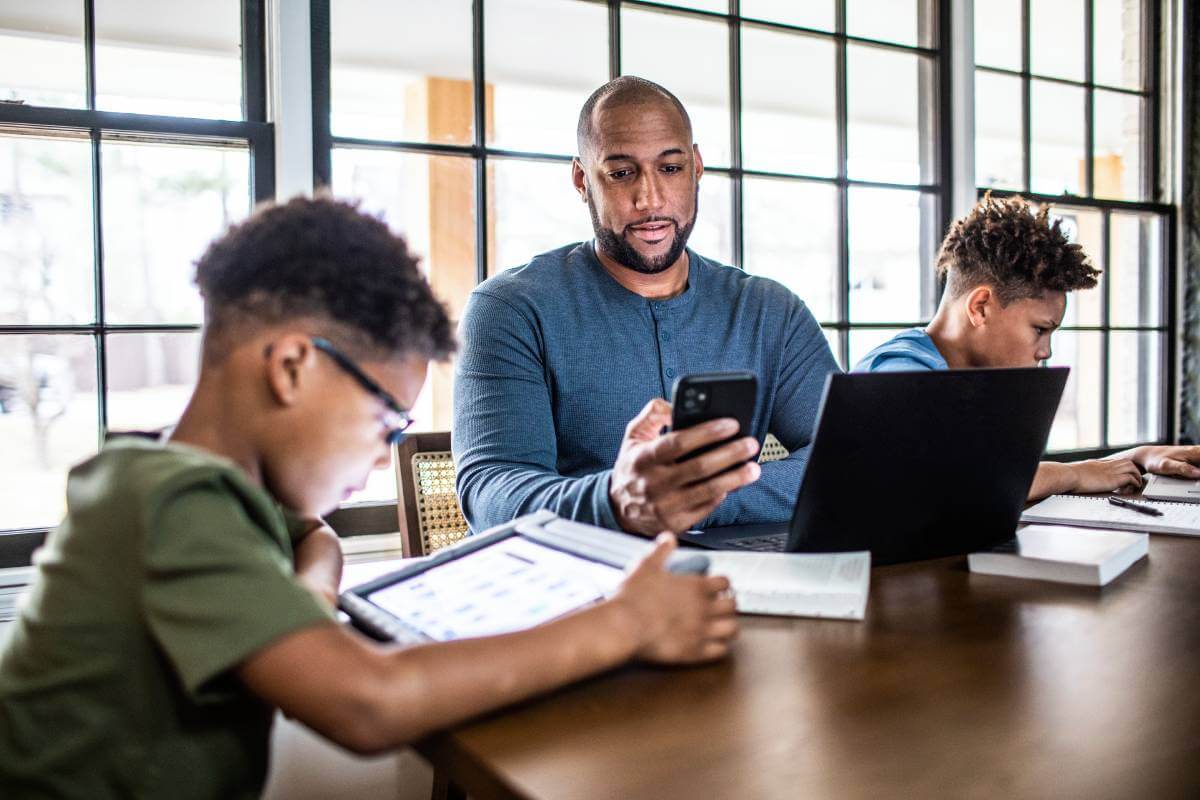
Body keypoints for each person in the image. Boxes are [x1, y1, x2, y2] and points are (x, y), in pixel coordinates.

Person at [0, 197, 738, 798]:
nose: (387, 454)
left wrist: (306, 597)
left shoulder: (196, 488)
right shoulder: (170, 501)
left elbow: (312, 536)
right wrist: (625, 625)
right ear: (291, 367)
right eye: (386, 418)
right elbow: (368, 704)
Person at [453, 76, 840, 537]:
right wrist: (618, 501)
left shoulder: (769, 311)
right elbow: (490, 492)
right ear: (582, 180)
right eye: (621, 173)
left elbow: (847, 456)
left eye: (671, 168)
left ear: (696, 166)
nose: (650, 199)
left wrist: (696, 499)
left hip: (735, 584)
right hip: (585, 587)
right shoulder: (509, 311)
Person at [854, 193, 1199, 499]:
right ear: (980, 307)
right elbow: (960, 484)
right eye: (1039, 329)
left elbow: (1004, 477)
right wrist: (1074, 473)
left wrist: (1133, 458)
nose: (1045, 351)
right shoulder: (898, 374)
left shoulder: (969, 378)